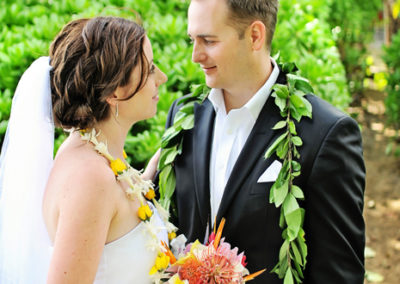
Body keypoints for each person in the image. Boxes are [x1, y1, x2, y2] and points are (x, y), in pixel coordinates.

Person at [164, 0, 366, 283]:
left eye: (208, 41)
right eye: (192, 41)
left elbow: (339, 275)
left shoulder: (324, 134)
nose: (196, 56)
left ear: (255, 36)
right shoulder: (183, 116)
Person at [0, 16, 168, 283]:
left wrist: (155, 169)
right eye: (149, 70)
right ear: (113, 92)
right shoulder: (91, 177)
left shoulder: (98, 154)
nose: (161, 78)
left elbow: (118, 224)